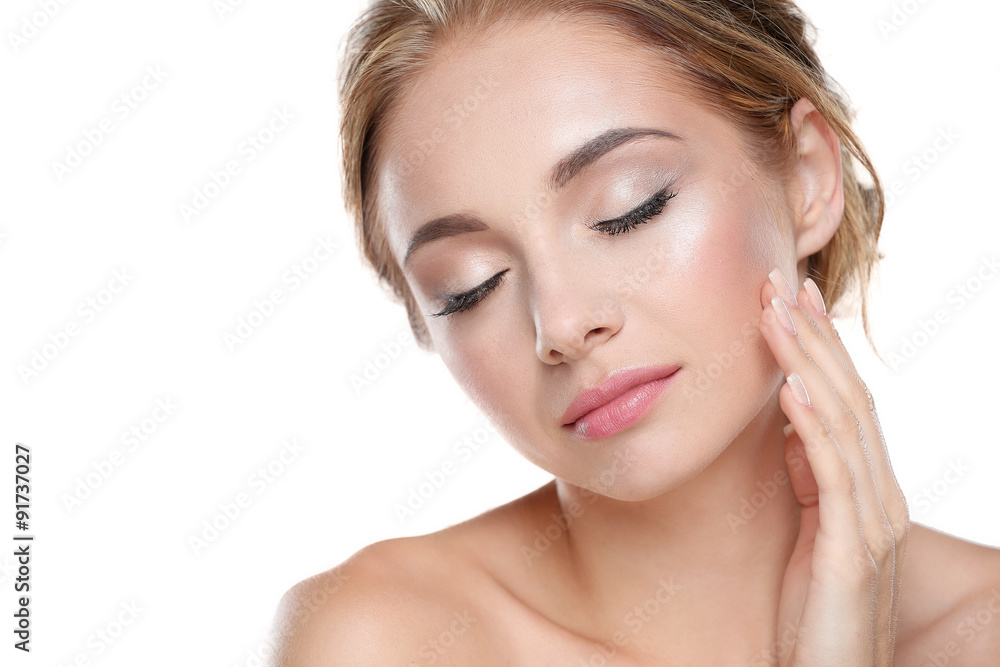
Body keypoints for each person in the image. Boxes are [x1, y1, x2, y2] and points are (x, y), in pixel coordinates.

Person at [271, 1, 1000, 663]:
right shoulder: (384, 639)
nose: (559, 323)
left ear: (806, 176)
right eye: (469, 286)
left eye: (632, 208)